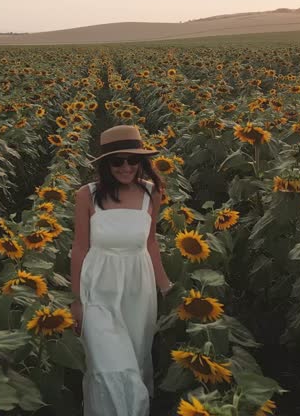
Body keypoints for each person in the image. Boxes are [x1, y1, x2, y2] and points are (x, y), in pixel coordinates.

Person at [70, 124, 175, 416]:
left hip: (137, 289)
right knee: (107, 364)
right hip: (99, 287)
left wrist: (167, 287)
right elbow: (79, 248)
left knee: (135, 360)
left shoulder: (151, 193)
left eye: (133, 159)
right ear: (105, 164)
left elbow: (151, 244)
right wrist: (76, 300)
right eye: (117, 161)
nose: (126, 167)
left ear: (142, 161)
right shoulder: (87, 195)